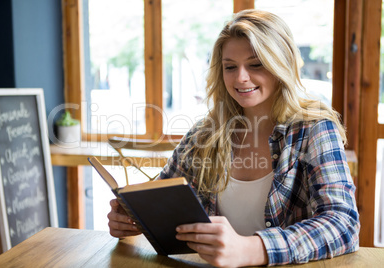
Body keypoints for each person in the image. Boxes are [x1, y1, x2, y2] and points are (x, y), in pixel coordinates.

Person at [107, 9, 360, 267]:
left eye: (255, 64)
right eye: (230, 67)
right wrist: (134, 218)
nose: (240, 77)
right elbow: (163, 201)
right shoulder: (204, 134)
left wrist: (252, 248)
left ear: (280, 65)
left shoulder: (315, 128)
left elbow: (343, 224)